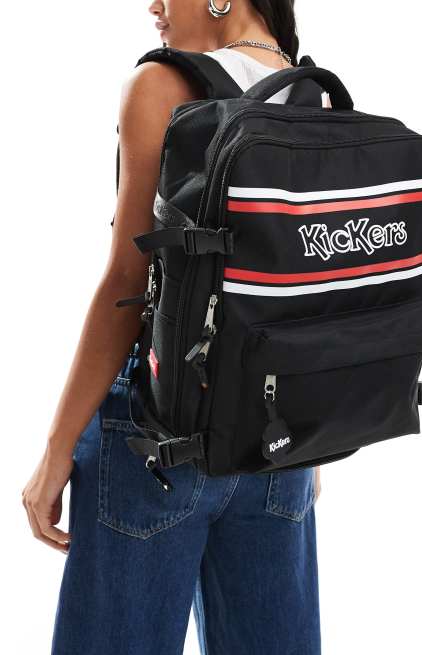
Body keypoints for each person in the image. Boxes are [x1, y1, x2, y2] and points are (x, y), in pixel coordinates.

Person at [22, 1, 322, 653]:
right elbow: (302, 289)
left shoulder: (160, 83)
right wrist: (309, 440)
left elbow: (126, 285)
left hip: (155, 435)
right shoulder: (309, 91)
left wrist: (56, 450)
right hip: (279, 442)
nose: (153, 6)